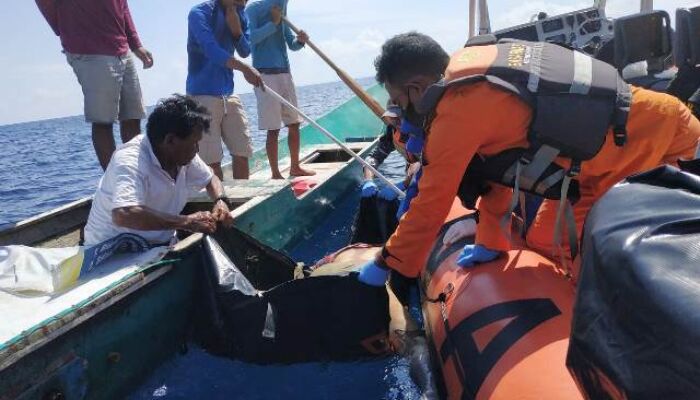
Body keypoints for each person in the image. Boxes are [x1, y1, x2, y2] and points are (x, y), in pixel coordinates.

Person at [358, 32, 700, 286]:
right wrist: (491, 240)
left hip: (649, 137)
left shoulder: (458, 109)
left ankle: (622, 316)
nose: (401, 109)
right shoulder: (472, 77)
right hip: (600, 155)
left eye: (399, 98)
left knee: (613, 244)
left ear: (417, 87)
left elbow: (432, 199)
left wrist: (389, 262)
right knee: (544, 238)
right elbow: (495, 172)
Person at [83, 95, 234, 247]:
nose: (197, 149)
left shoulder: (181, 153)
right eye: (194, 143)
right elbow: (123, 214)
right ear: (170, 140)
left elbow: (210, 178)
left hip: (158, 246)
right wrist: (187, 222)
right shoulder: (130, 161)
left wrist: (220, 200)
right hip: (111, 254)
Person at [36, 0, 154, 171]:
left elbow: (123, 5)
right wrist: (64, 26)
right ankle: (116, 185)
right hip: (89, 50)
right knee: (103, 121)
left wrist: (136, 44)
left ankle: (139, 176)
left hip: (122, 48)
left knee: (132, 116)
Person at [187, 0, 264, 181]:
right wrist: (245, 69)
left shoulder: (240, 12)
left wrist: (236, 31)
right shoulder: (198, 13)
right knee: (211, 162)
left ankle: (243, 201)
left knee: (242, 152)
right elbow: (211, 50)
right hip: (202, 95)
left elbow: (245, 50)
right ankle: (220, 204)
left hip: (229, 94)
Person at [245, 0, 315, 179]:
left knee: (294, 123)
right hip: (265, 76)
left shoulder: (282, 6)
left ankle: (295, 167)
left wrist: (300, 41)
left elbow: (291, 43)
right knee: (273, 128)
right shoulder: (253, 9)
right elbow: (250, 38)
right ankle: (275, 173)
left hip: (285, 73)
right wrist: (273, 23)